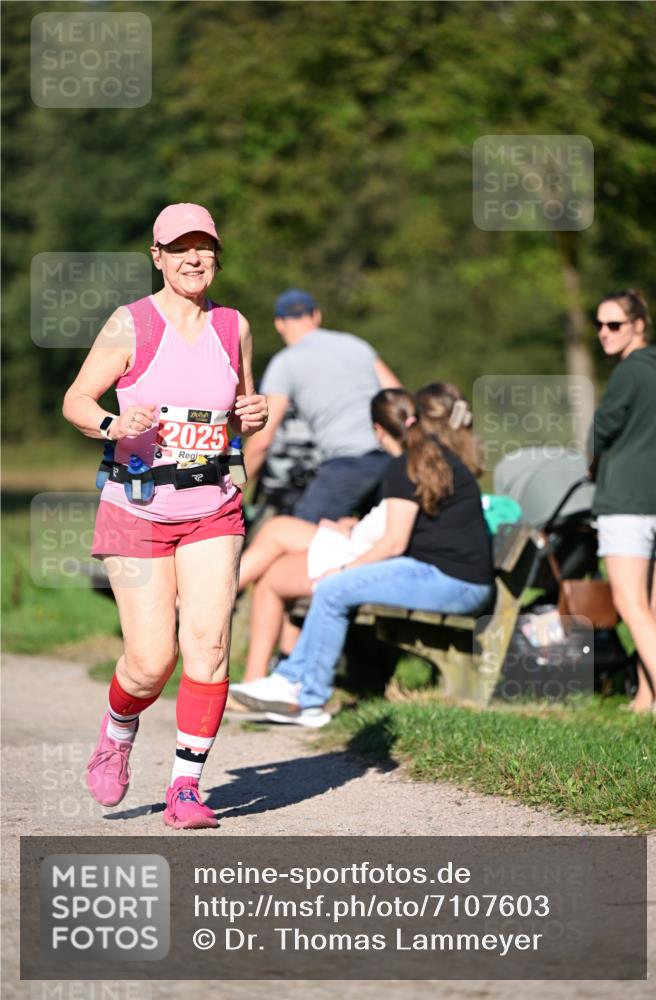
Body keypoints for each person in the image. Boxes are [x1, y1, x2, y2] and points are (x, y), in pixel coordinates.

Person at [62, 202, 268, 828]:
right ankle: (119, 731)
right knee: (152, 661)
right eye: (181, 248)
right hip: (138, 504)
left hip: (213, 506)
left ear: (217, 255)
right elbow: (75, 399)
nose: (194, 258)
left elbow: (239, 411)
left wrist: (248, 419)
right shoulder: (131, 324)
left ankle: (185, 789)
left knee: (207, 646)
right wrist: (113, 423)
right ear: (158, 256)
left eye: (204, 246)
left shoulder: (234, 326)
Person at [230, 383, 495, 726]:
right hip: (451, 576)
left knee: (332, 588)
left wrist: (343, 568)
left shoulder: (409, 464)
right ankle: (288, 681)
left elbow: (394, 542)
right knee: (332, 587)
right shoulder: (432, 458)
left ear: (381, 430)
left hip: (452, 581)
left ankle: (307, 700)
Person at [236, 389, 416, 688]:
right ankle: (272, 674)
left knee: (275, 555)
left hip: (365, 553)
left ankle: (261, 670)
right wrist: (353, 525)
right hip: (360, 539)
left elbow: (396, 536)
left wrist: (349, 557)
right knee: (276, 540)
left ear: (378, 429)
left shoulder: (403, 467)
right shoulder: (406, 464)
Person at [243, 288, 402, 522]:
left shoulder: (285, 362)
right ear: (316, 316)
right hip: (389, 459)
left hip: (346, 464)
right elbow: (397, 396)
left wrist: (236, 484)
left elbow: (263, 438)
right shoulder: (356, 345)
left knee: (293, 535)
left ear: (279, 323)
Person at [590, 289, 656, 713]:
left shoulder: (628, 372)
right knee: (653, 605)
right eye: (599, 324)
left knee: (630, 603)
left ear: (639, 326)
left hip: (627, 500)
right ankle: (646, 695)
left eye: (614, 324)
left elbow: (601, 432)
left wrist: (591, 459)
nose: (604, 333)